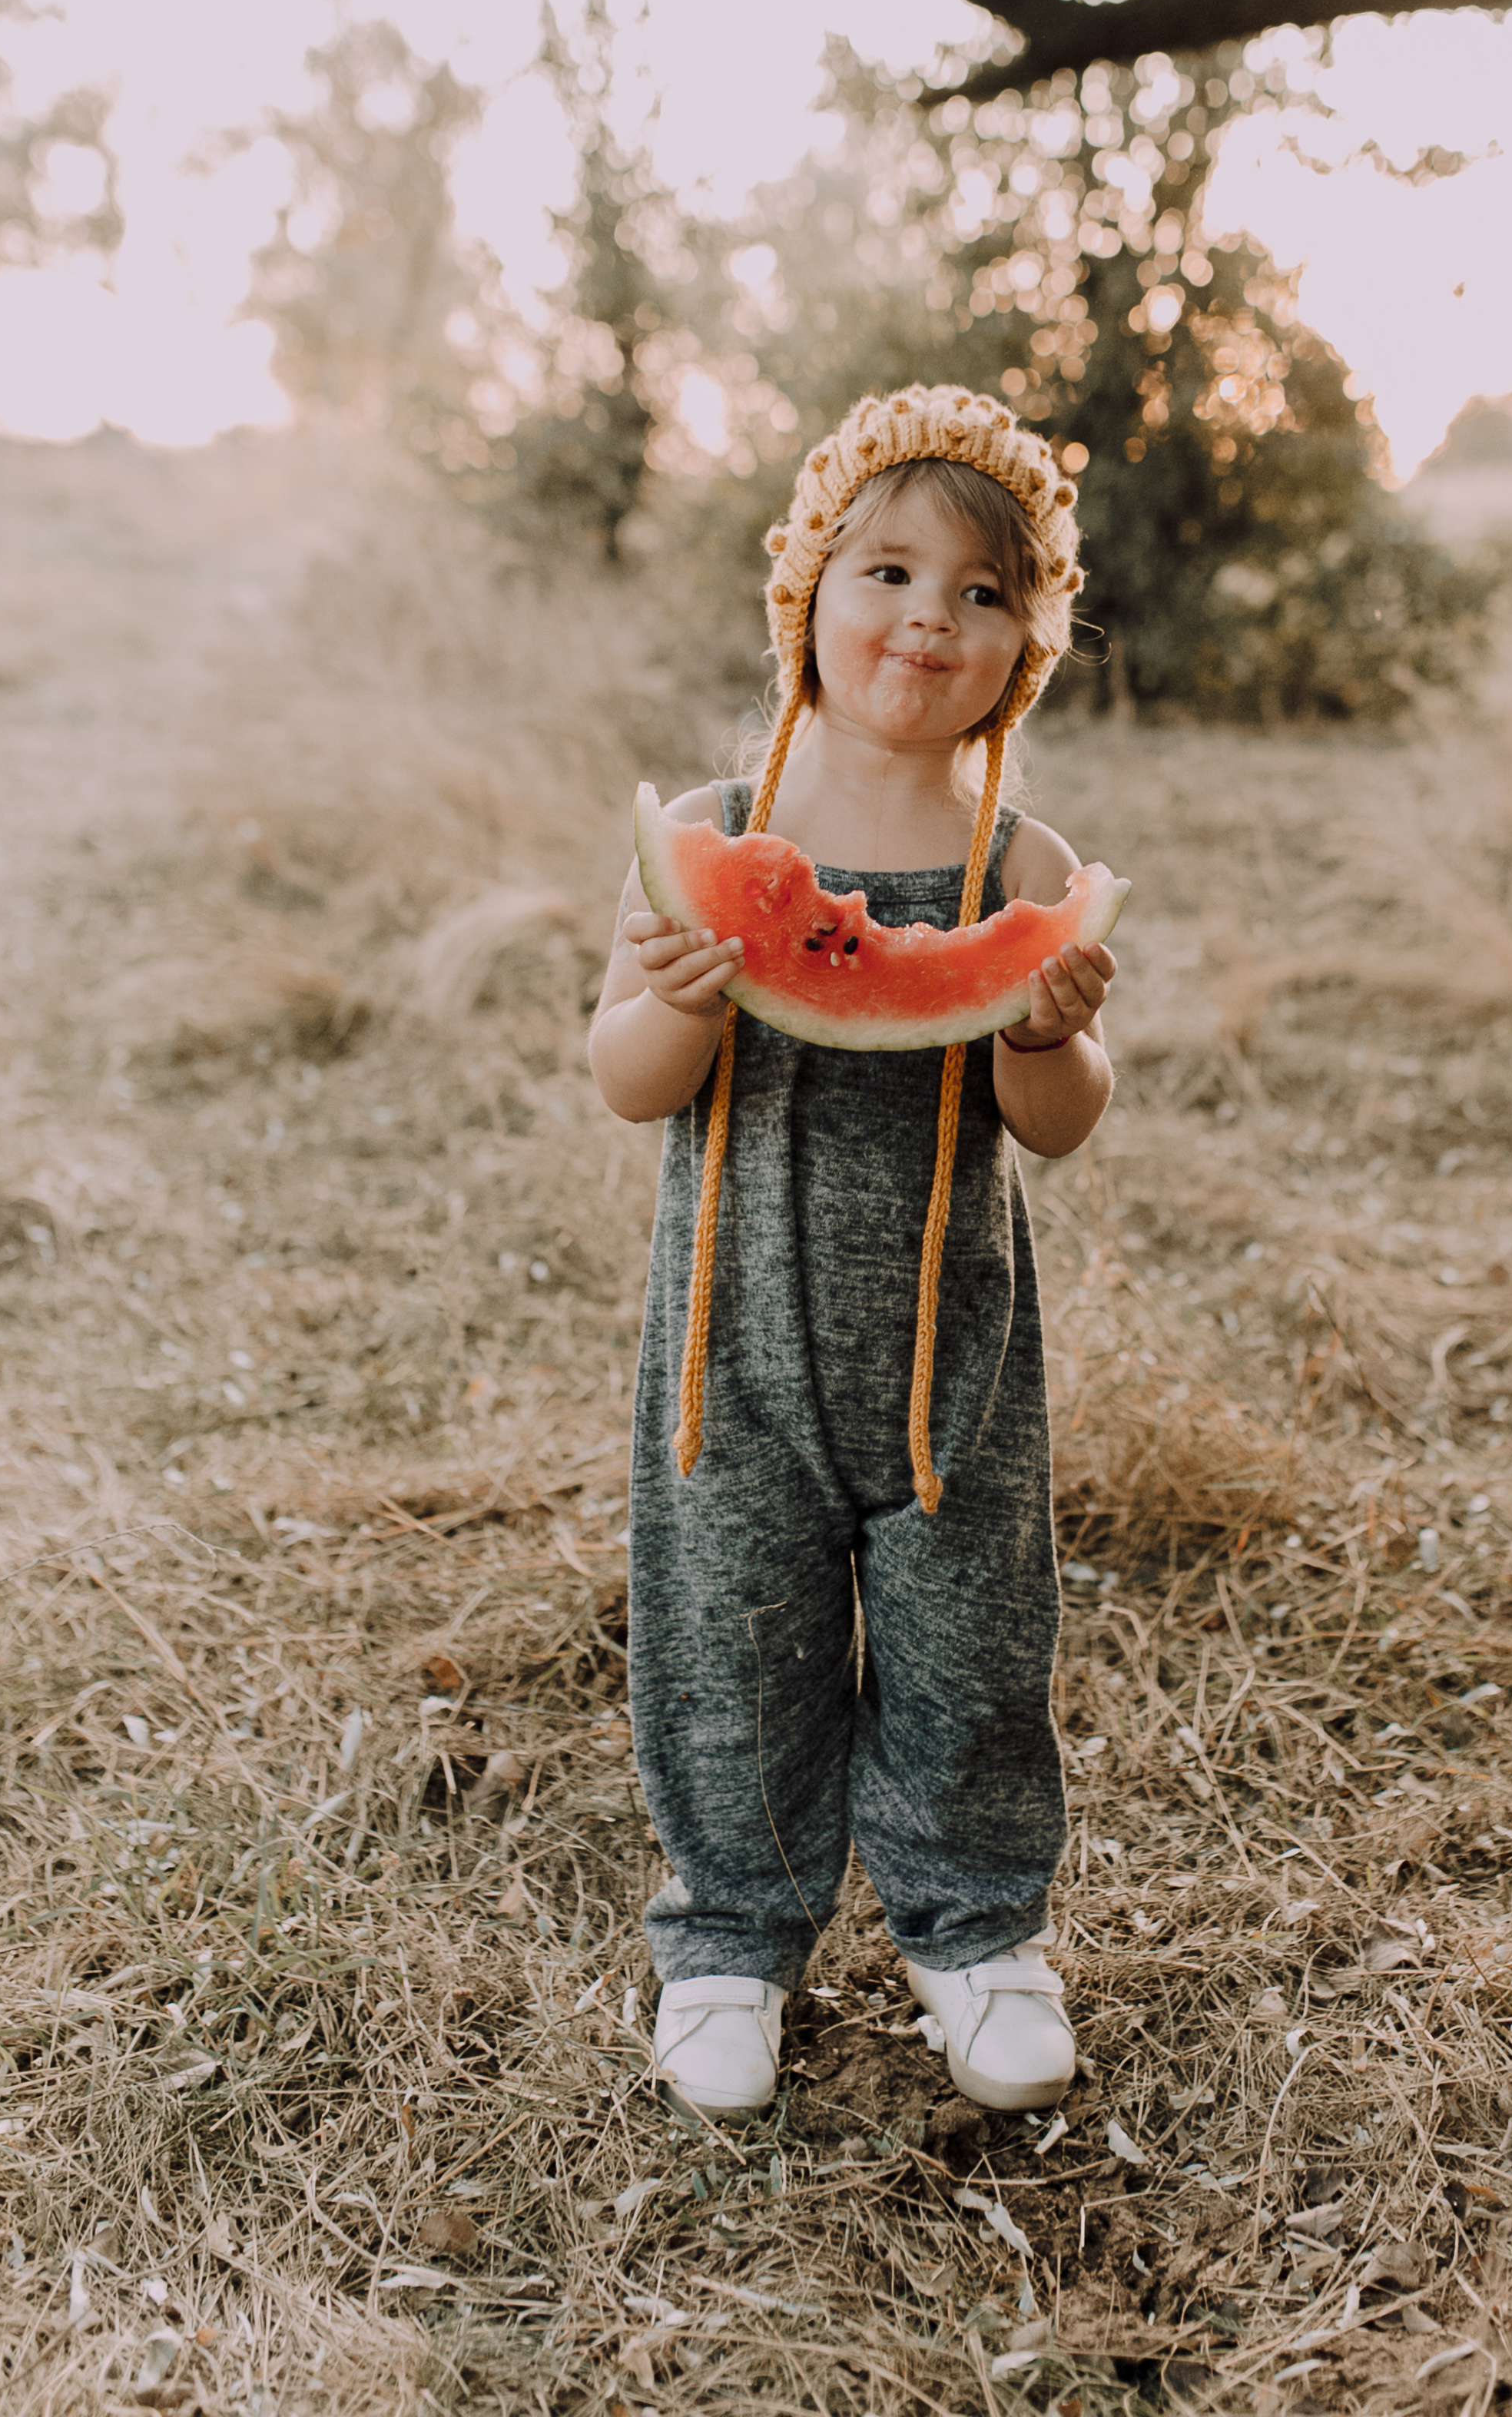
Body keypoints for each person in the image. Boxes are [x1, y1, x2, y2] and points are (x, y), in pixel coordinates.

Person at [589, 385, 1118, 2125]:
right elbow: (624, 1080)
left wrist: (1041, 1028)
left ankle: (977, 1937)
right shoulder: (703, 829)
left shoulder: (1013, 862)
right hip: (724, 1357)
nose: (926, 621)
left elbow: (1056, 1120)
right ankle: (728, 1941)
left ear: (1025, 644)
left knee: (973, 1651)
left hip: (946, 1357)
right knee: (725, 1649)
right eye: (886, 571)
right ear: (806, 593)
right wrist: (674, 998)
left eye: (982, 595)